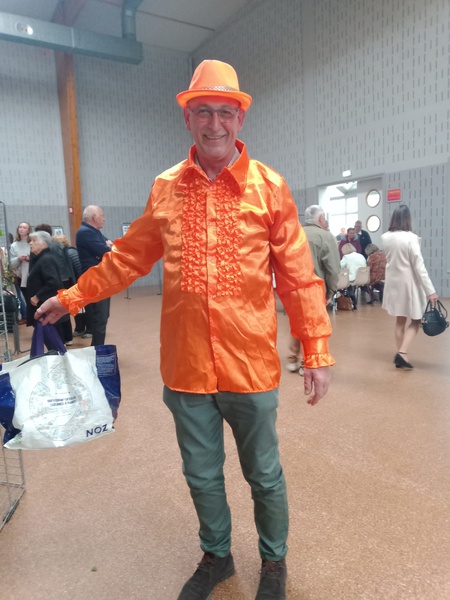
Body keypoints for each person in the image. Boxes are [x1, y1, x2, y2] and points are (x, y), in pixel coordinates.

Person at [35, 60, 334, 600]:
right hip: (187, 366)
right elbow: (128, 258)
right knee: (201, 475)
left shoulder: (269, 188)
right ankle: (217, 556)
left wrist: (315, 351)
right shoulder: (167, 188)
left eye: (225, 112)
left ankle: (273, 563)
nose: (214, 123)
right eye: (203, 112)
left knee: (264, 475)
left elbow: (298, 275)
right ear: (188, 118)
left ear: (240, 119)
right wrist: (71, 297)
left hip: (250, 366)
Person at [381, 204, 438, 369]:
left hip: (393, 283)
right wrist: (430, 291)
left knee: (400, 320)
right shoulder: (411, 238)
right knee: (416, 320)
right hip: (409, 284)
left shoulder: (385, 237)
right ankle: (402, 353)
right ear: (408, 219)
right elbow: (419, 266)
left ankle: (401, 356)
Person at [287, 205, 340, 374]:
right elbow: (333, 268)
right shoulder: (326, 236)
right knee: (312, 327)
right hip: (315, 289)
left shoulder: (294, 234)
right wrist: (331, 291)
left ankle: (292, 359)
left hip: (293, 288)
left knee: (297, 322)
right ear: (321, 219)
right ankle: (306, 363)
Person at [26, 231, 70, 349]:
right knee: (52, 339)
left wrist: (38, 296)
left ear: (44, 244)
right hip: (44, 307)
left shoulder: (46, 259)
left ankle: (58, 357)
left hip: (46, 307)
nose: (31, 243)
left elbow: (53, 282)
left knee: (53, 339)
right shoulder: (40, 258)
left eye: (34, 241)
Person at [76, 206, 113, 345]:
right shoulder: (85, 232)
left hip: (101, 278)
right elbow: (105, 251)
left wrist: (108, 246)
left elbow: (110, 246)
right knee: (100, 316)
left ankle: (97, 348)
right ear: (94, 217)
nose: (104, 218)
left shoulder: (94, 231)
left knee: (103, 315)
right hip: (95, 279)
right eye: (102, 215)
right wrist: (107, 246)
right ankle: (97, 349)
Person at [53, 234, 87, 339]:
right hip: (73, 283)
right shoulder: (65, 252)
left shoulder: (70, 252)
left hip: (77, 283)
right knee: (75, 308)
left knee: (82, 308)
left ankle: (88, 329)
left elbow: (78, 268)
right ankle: (79, 328)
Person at [9, 221, 32, 324]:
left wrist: (30, 258)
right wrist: (19, 258)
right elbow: (11, 264)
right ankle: (29, 317)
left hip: (33, 274)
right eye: (20, 227)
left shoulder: (32, 242)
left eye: (24, 227)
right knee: (26, 298)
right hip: (21, 276)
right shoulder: (14, 245)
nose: (21, 229)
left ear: (28, 230)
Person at [339, 243, 366, 309]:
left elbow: (339, 267)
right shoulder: (361, 256)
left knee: (341, 280)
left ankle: (349, 297)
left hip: (352, 279)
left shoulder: (346, 257)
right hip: (363, 278)